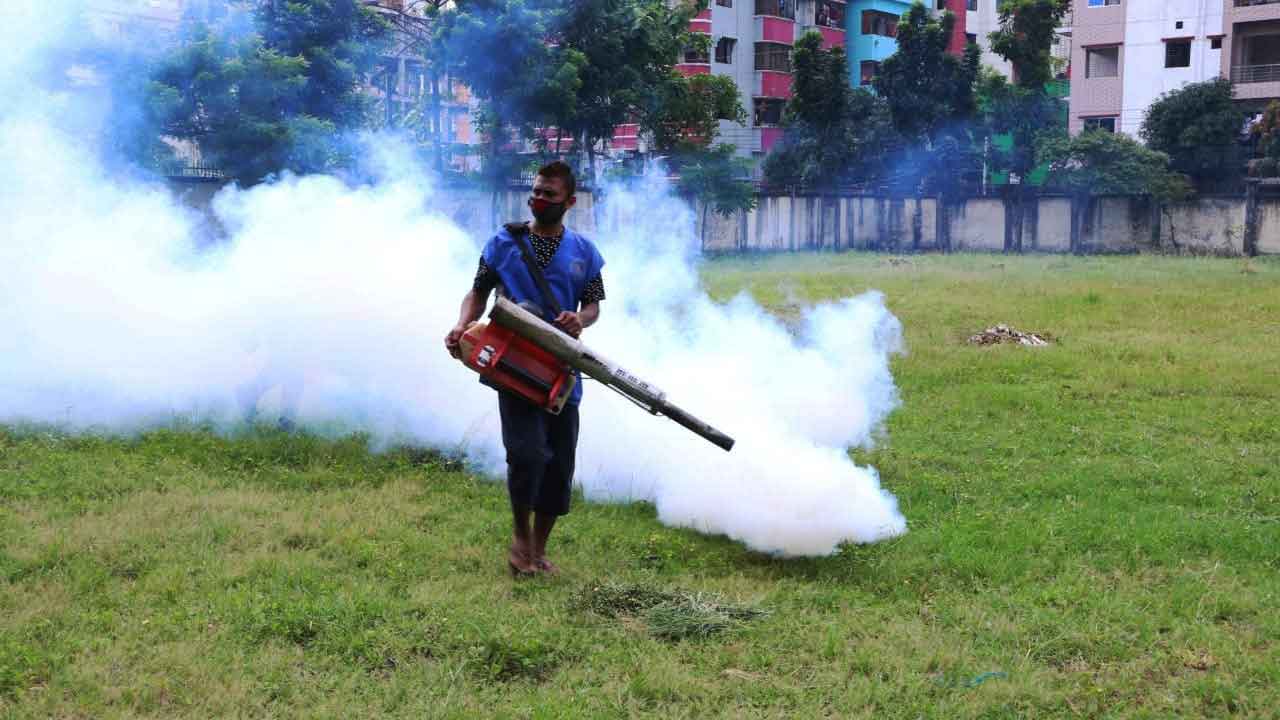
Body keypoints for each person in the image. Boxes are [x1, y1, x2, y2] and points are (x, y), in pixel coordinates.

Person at [445, 161, 606, 576]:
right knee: (527, 454)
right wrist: (463, 324)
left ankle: (538, 547)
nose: (539, 199)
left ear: (568, 202)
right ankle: (519, 539)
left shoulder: (585, 253)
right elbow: (478, 292)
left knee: (558, 465)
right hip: (514, 367)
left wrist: (580, 320)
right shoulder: (504, 243)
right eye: (535, 191)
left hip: (562, 372)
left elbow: (592, 306)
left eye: (549, 194)